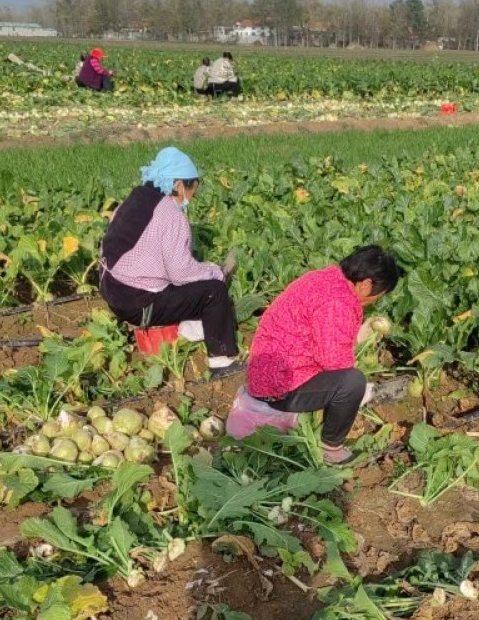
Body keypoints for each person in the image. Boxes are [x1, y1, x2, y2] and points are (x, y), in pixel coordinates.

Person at [226, 246, 399, 464]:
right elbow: (335, 363)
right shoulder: (338, 302)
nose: (376, 300)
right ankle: (331, 449)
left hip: (265, 374)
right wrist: (360, 393)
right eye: (379, 295)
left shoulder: (324, 278)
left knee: (345, 382)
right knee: (352, 382)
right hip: (280, 387)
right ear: (366, 285)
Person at [99, 146, 242, 379]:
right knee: (213, 292)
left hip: (112, 291)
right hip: (139, 304)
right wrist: (216, 273)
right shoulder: (171, 213)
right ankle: (222, 361)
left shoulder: (136, 197)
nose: (190, 199)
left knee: (187, 284)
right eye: (191, 191)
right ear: (178, 186)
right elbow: (181, 273)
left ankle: (188, 327)